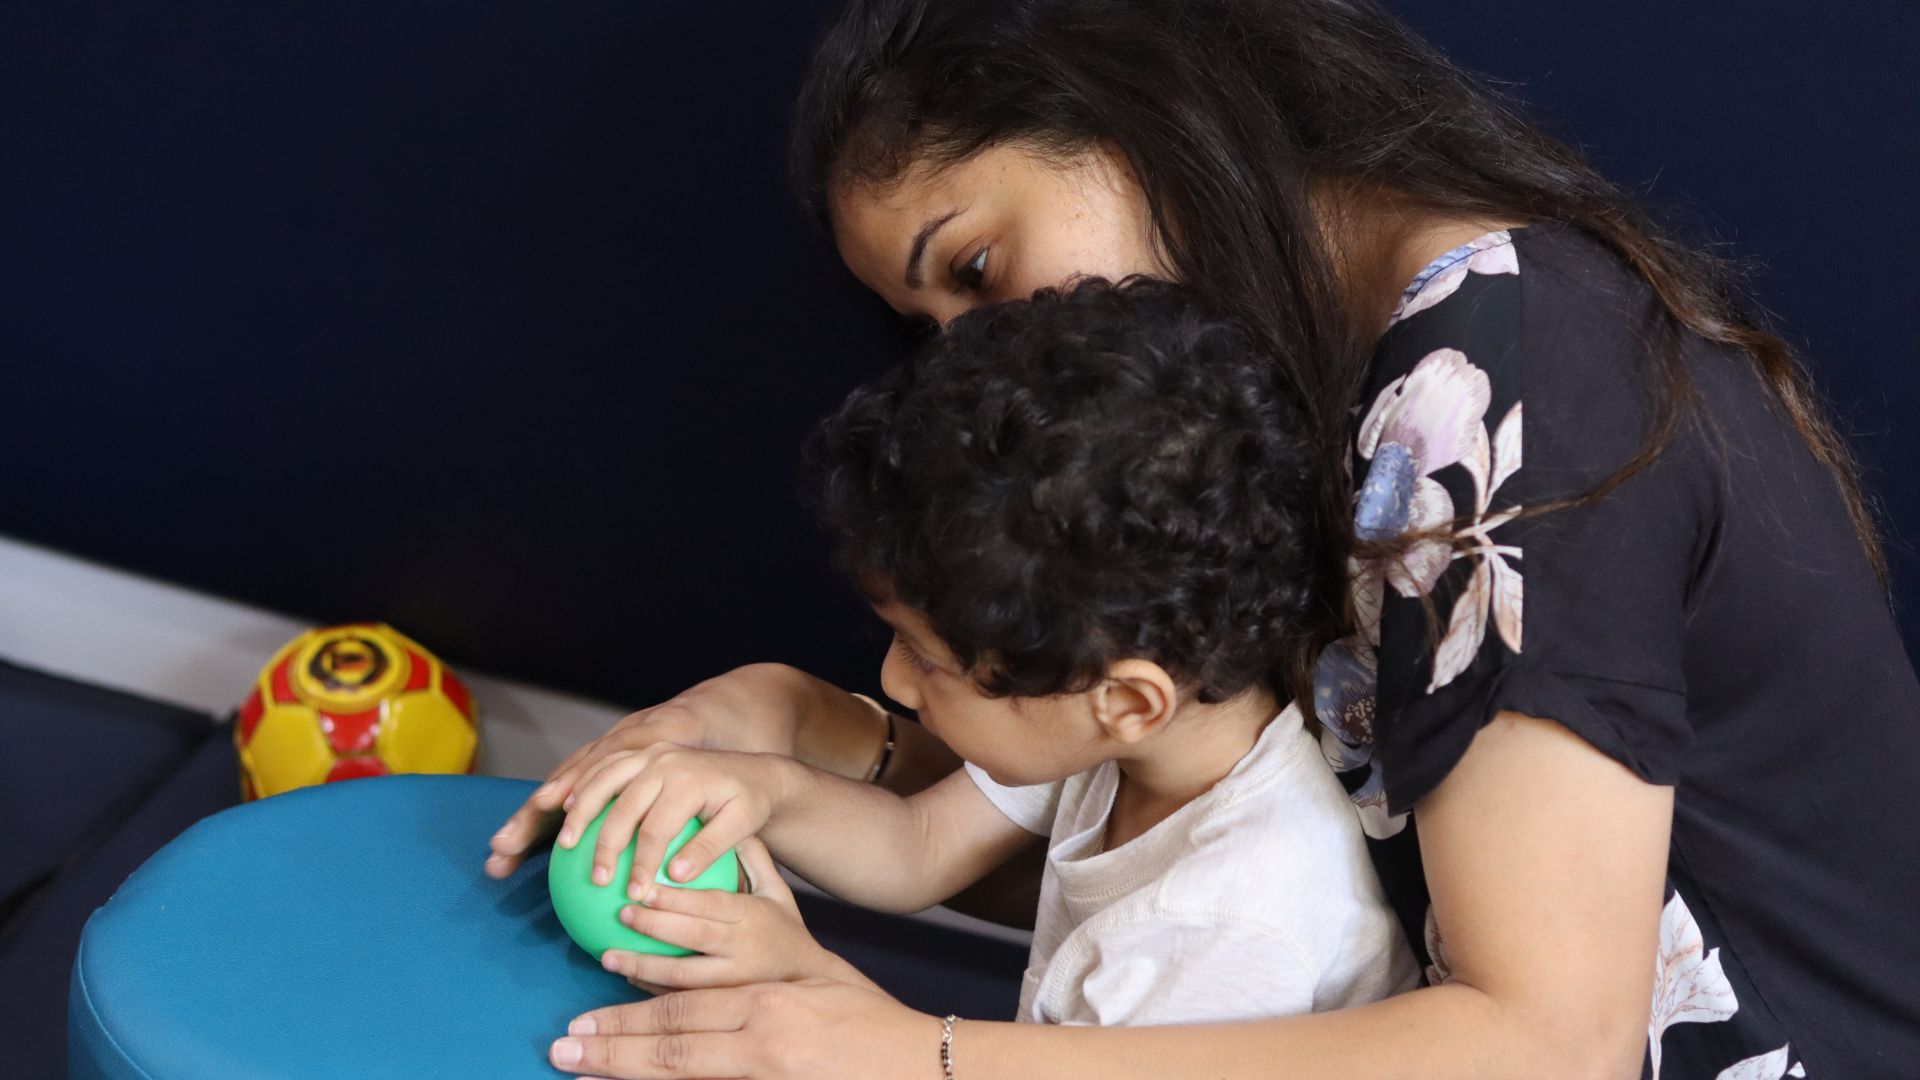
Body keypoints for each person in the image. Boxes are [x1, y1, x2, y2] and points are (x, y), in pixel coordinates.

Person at [487, 1, 1920, 1076]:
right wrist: (799, 734)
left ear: (1145, 115)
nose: (991, 352)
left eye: (979, 271)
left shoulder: (1490, 381)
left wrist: (915, 1053)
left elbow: (1547, 1039)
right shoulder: (1261, 394)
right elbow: (1132, 820)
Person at [547, 279, 1418, 1025]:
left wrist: (804, 984)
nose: (891, 680)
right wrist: (759, 789)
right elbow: (916, 845)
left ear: (1126, 699)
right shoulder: (1129, 720)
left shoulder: (1225, 926)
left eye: (928, 658)